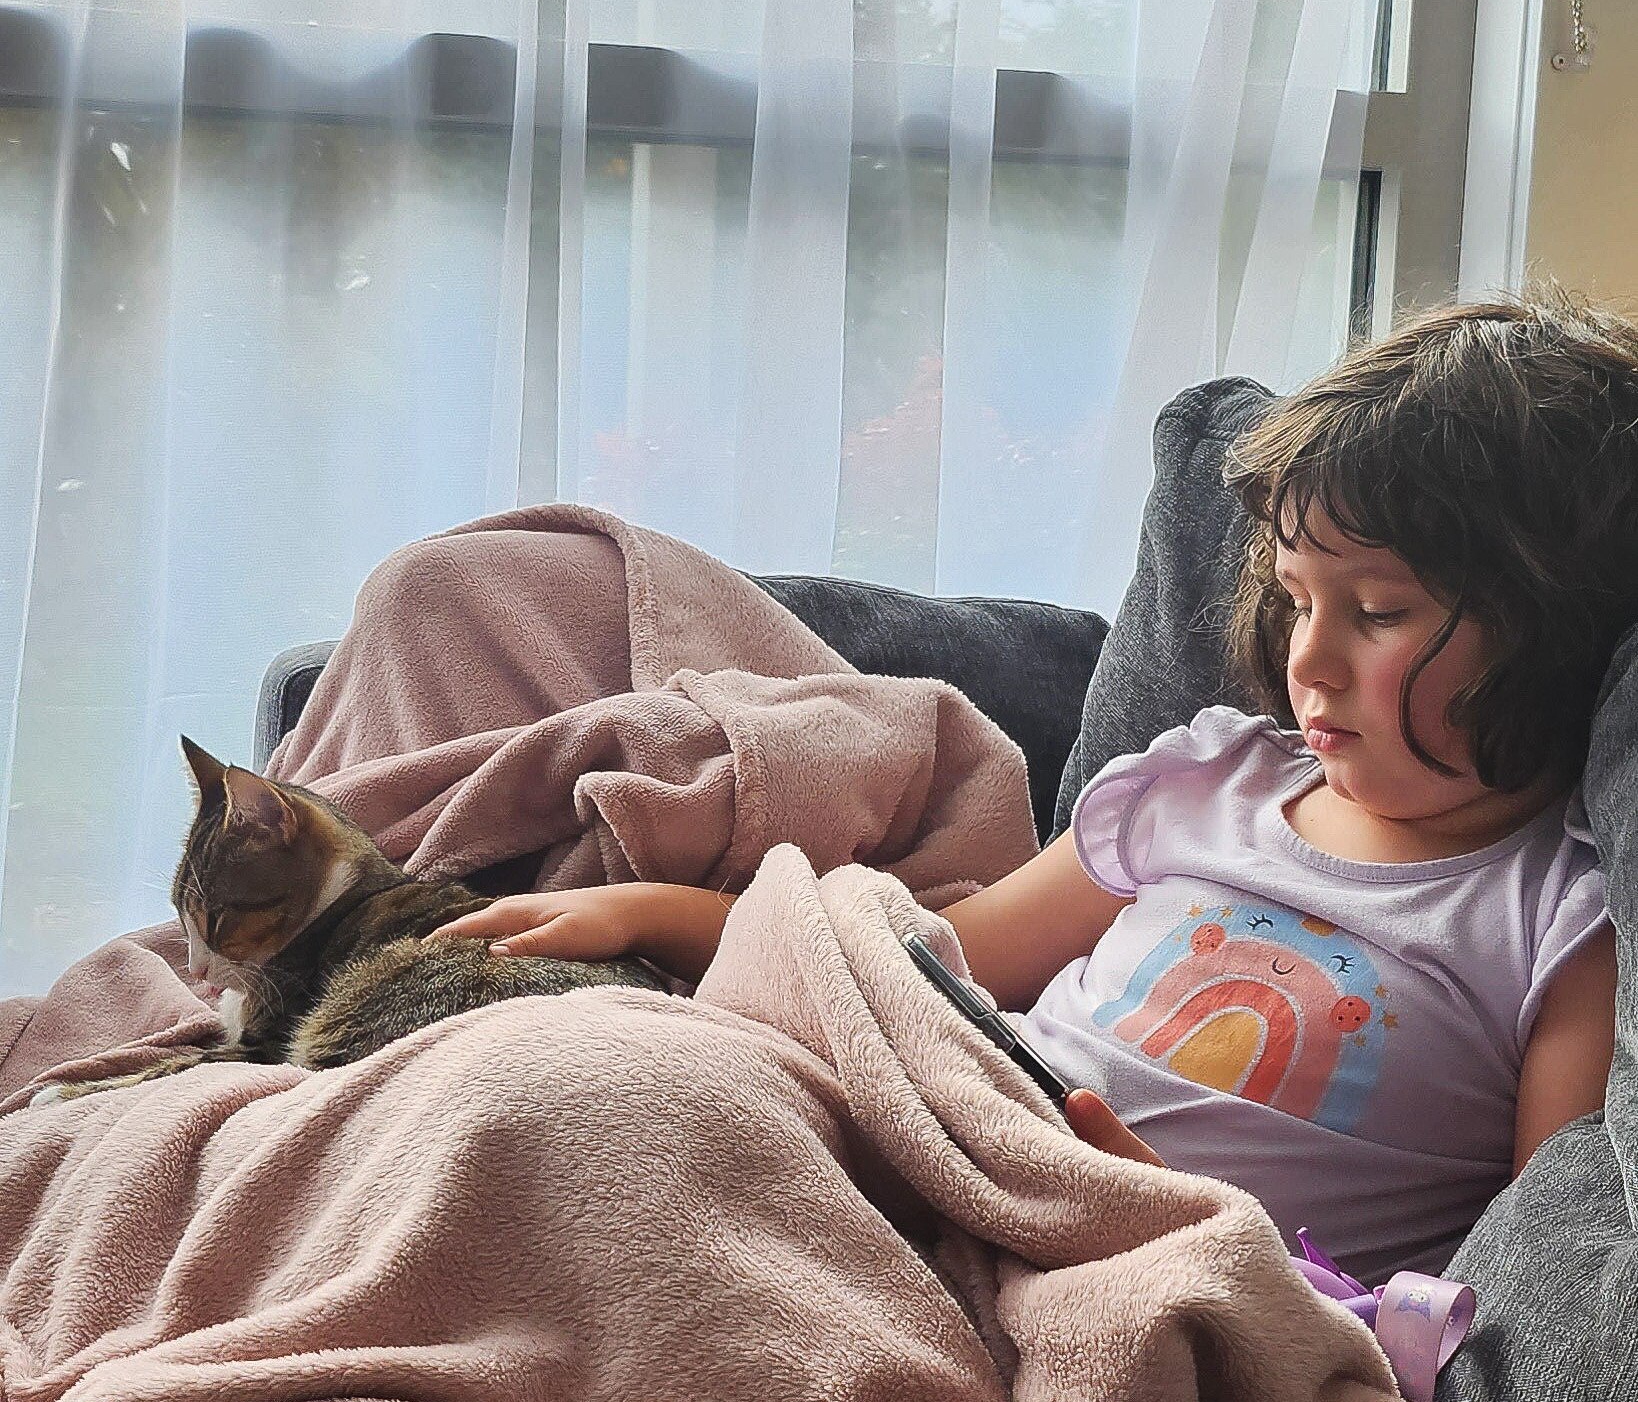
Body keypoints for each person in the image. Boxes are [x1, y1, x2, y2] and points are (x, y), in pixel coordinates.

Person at [427, 289, 1638, 1284]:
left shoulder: (1562, 922)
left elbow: (1516, 1291)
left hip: (1175, 1290)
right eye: (1295, 597)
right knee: (550, 1099)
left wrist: (1220, 1253)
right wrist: (655, 914)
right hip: (952, 1153)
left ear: (1546, 624)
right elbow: (921, 966)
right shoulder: (1206, 781)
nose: (1307, 661)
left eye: (1376, 613)